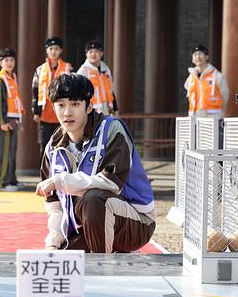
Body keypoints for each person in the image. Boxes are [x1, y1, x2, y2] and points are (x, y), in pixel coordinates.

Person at [36, 73, 155, 253]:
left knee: (93, 199)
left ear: (89, 107)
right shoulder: (53, 148)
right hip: (86, 224)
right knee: (61, 260)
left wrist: (61, 181)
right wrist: (52, 243)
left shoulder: (112, 129)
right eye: (61, 105)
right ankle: (112, 253)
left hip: (136, 220)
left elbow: (112, 182)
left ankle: (103, 266)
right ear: (53, 107)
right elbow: (56, 207)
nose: (67, 112)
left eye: (75, 104)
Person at [32, 36, 72, 158]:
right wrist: (36, 111)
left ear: (61, 50)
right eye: (51, 49)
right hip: (45, 113)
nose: (53, 51)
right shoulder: (40, 69)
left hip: (63, 113)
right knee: (44, 145)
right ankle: (45, 169)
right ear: (47, 50)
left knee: (62, 144)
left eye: (56, 49)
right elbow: (35, 90)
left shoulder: (68, 68)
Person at [0, 47, 23, 191]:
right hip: (5, 119)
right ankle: (1, 182)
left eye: (11, 60)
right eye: (6, 60)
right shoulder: (0, 79)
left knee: (11, 151)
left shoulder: (13, 77)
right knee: (4, 153)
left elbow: (15, 99)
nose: (9, 63)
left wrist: (18, 118)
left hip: (13, 118)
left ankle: (12, 180)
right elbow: (0, 103)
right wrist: (3, 122)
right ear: (1, 63)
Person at [185, 44, 229, 116]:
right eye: (195, 55)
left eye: (200, 54)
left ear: (206, 57)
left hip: (212, 116)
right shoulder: (190, 78)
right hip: (194, 116)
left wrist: (221, 113)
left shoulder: (217, 76)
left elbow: (225, 95)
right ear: (192, 59)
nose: (198, 57)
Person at [77, 41, 115, 116]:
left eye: (96, 51)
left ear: (101, 53)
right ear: (86, 54)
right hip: (90, 110)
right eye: (90, 52)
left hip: (106, 110)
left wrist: (115, 108)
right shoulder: (83, 71)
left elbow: (110, 90)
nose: (93, 54)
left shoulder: (106, 70)